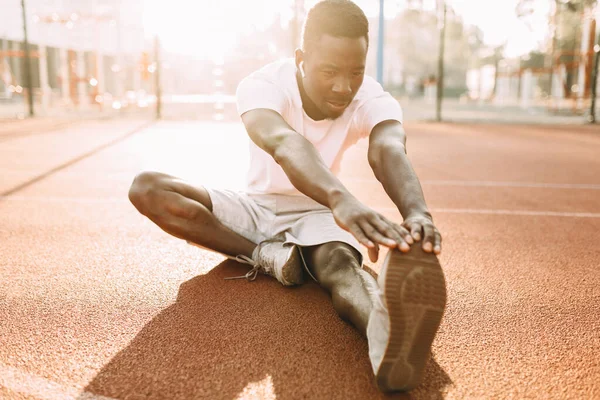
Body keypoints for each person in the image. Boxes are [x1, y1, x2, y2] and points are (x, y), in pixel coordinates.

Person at [128, 0, 446, 392]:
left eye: (356, 72)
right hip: (258, 207)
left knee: (342, 266)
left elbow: (388, 149)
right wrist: (340, 197)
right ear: (301, 58)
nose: (344, 86)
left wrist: (418, 213)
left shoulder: (371, 96)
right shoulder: (263, 85)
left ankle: (387, 336)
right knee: (148, 188)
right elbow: (285, 144)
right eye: (330, 71)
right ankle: (265, 255)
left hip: (316, 211)